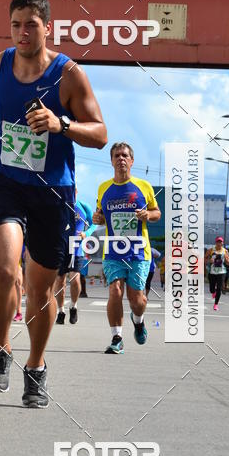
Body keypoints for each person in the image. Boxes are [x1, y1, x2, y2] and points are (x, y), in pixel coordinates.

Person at [0, 0, 107, 407]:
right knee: (5, 270)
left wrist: (61, 124)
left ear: (48, 28)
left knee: (40, 292)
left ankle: (36, 365)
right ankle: (0, 348)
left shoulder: (69, 75)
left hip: (52, 191)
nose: (22, 32)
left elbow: (100, 133)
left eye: (31, 25)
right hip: (4, 180)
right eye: (16, 24)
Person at [92, 142, 161, 354]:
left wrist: (147, 215)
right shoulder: (104, 188)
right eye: (117, 156)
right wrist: (98, 218)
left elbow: (157, 213)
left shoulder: (144, 186)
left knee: (136, 300)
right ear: (111, 161)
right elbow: (100, 215)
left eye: (124, 155)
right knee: (115, 291)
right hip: (113, 251)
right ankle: (117, 338)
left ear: (131, 161)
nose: (121, 159)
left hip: (139, 252)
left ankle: (138, 321)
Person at [56, 194, 93, 325]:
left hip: (77, 248)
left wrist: (86, 233)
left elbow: (94, 223)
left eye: (74, 189)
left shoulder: (83, 206)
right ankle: (60, 311)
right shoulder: (58, 203)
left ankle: (73, 306)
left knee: (75, 278)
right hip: (61, 247)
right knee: (59, 281)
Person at [205, 236, 229, 311]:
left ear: (222, 243)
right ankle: (213, 292)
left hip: (221, 272)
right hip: (212, 272)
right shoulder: (210, 250)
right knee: (211, 289)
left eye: (221, 242)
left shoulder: (225, 251)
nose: (219, 243)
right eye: (218, 242)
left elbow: (228, 263)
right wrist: (209, 260)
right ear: (215, 243)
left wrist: (227, 260)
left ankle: (216, 304)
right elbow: (205, 260)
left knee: (219, 288)